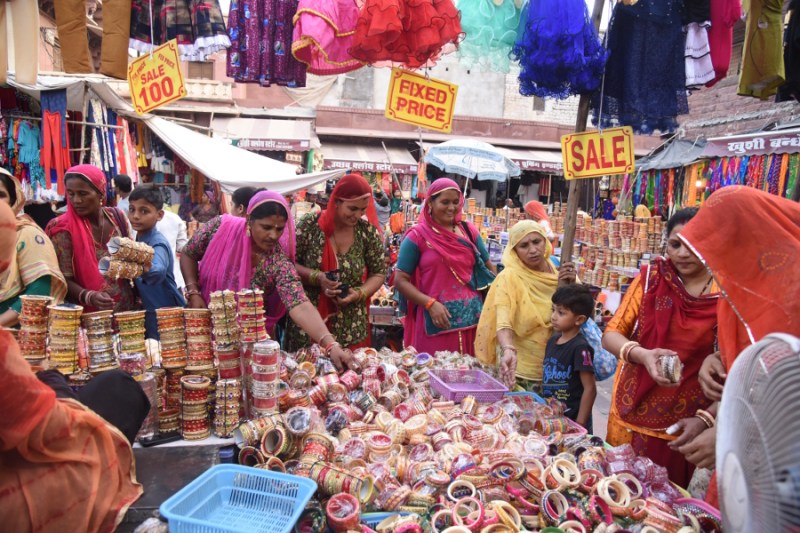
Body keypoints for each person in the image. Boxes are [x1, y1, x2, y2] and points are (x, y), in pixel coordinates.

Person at [0, 199, 147, 532]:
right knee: (117, 392)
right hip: (12, 497)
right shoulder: (59, 230)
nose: (77, 200)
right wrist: (52, 378)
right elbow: (45, 427)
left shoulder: (115, 218)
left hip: (113, 308)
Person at [669, 186, 800, 506]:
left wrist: (733, 437)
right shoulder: (745, 283)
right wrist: (722, 360)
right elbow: (758, 361)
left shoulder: (792, 288)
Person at [601, 207, 719, 488]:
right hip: (632, 409)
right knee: (619, 493)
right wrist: (643, 355)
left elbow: (737, 367)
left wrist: (706, 419)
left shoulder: (726, 291)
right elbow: (611, 334)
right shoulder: (652, 279)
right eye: (675, 244)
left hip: (688, 423)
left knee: (668, 506)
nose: (682, 253)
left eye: (694, 244)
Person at [180, 191, 359, 371]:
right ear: (249, 219)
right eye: (266, 227)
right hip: (205, 327)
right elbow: (189, 253)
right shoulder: (220, 227)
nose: (274, 235)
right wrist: (193, 291)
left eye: (279, 229)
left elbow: (299, 303)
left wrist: (331, 345)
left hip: (249, 342)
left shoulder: (277, 260)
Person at [395, 178, 497, 356]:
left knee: (469, 377)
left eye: (456, 202)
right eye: (445, 202)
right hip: (436, 321)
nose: (451, 207)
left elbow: (490, 268)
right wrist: (429, 303)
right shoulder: (417, 237)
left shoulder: (469, 231)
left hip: (472, 321)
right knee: (433, 377)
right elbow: (400, 280)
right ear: (430, 203)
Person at [287, 174, 387, 351]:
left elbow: (378, 272)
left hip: (351, 327)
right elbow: (288, 265)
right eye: (353, 208)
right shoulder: (309, 225)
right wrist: (318, 277)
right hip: (309, 326)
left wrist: (358, 294)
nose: (357, 215)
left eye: (362, 210)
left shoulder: (367, 233)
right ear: (338, 201)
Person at [475, 220, 576, 391]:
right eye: (524, 245)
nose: (533, 250)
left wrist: (573, 285)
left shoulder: (559, 269)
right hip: (522, 369)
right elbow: (503, 321)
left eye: (537, 241)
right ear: (514, 251)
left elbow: (583, 312)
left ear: (545, 241)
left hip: (561, 367)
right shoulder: (509, 277)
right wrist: (508, 349)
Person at [46, 164, 136, 313]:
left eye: (83, 193)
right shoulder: (62, 229)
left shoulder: (117, 217)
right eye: (71, 193)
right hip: (88, 317)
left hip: (127, 312)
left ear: (100, 193)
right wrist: (89, 296)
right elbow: (60, 279)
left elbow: (131, 258)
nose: (76, 200)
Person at [0, 169, 67, 327]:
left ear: (12, 200)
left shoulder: (26, 234)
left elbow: (39, 291)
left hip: (19, 334)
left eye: (1, 195)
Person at [128, 186, 186, 340]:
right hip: (153, 310)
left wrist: (137, 267)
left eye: (144, 211)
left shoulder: (157, 243)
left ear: (159, 215)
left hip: (166, 312)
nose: (135, 216)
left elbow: (157, 270)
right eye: (132, 209)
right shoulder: (140, 239)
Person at [542, 284, 597, 432]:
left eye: (561, 313)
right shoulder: (552, 341)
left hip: (572, 421)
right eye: (553, 310)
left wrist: (580, 424)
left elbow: (590, 388)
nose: (553, 316)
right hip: (553, 417)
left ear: (579, 319)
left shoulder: (580, 348)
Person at [156, 208, 188, 290]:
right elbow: (182, 247)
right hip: (174, 277)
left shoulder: (137, 219)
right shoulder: (174, 218)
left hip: (149, 282)